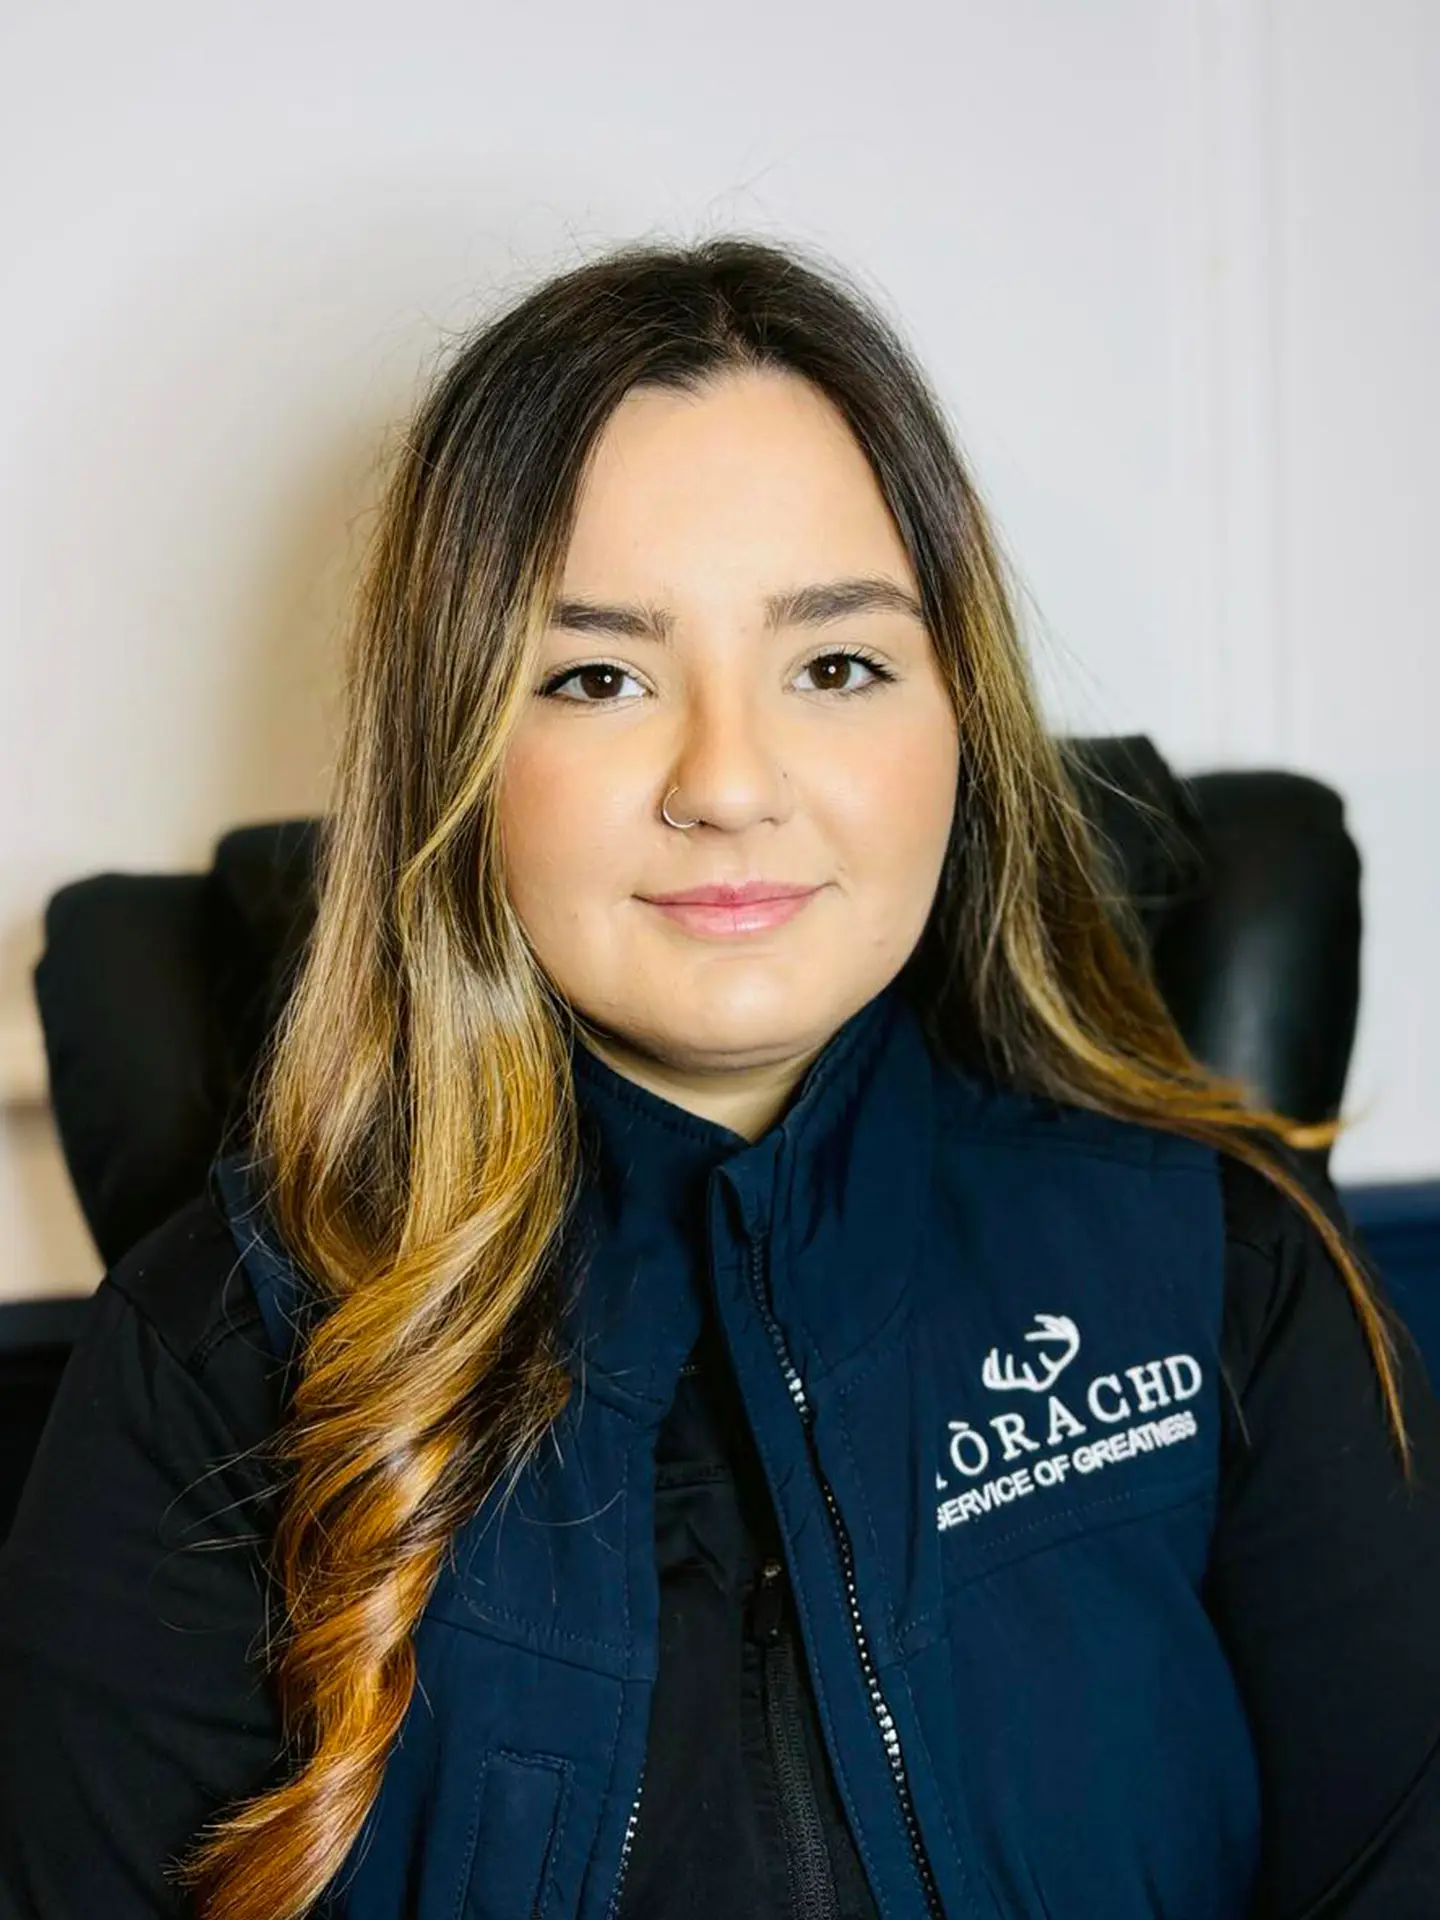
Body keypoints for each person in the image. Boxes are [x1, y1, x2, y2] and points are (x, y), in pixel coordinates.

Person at [2, 235, 1439, 1920]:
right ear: (457, 756)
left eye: (836, 665)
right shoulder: (216, 1362)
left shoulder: (1227, 1265)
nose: (729, 782)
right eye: (599, 676)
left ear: (959, 718)